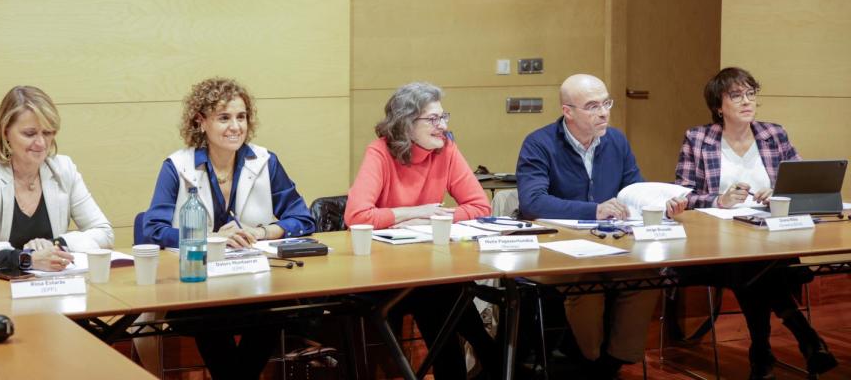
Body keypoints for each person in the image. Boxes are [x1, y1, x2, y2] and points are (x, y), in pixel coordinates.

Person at [143, 77, 315, 379]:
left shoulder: (264, 161)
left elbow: (302, 218)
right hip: (196, 285)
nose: (235, 126)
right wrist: (211, 238)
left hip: (255, 284)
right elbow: (154, 229)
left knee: (279, 310)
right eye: (224, 118)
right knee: (206, 316)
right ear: (201, 122)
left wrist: (262, 232)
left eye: (241, 117)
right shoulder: (177, 166)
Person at [675, 67, 836, 378]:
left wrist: (778, 194)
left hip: (771, 236)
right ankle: (804, 337)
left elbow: (801, 185)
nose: (747, 101)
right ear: (718, 106)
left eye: (751, 94)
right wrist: (719, 200)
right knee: (752, 267)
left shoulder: (773, 134)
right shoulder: (698, 139)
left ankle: (761, 353)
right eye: (736, 96)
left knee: (757, 267)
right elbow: (681, 195)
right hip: (716, 243)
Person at [516, 74, 671, 378]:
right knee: (588, 283)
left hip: (612, 243)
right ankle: (589, 360)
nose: (603, 112)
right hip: (558, 246)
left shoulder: (616, 140)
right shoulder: (539, 143)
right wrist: (595, 210)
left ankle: (612, 361)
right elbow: (533, 203)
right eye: (592, 106)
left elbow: (633, 189)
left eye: (606, 103)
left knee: (648, 274)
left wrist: (660, 203)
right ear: (568, 111)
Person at [345, 82, 495, 380]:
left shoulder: (446, 149)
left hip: (430, 267)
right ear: (406, 123)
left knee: (444, 292)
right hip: (384, 273)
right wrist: (415, 212)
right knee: (445, 295)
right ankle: (492, 355)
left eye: (444, 117)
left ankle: (489, 356)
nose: (443, 126)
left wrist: (434, 220)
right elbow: (357, 216)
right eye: (433, 119)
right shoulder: (380, 152)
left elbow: (481, 207)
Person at [0, 85, 113, 272]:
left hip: (51, 285)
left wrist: (55, 244)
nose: (41, 143)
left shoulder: (64, 170)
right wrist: (28, 258)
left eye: (48, 133)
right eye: (30, 133)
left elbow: (104, 233)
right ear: (5, 132)